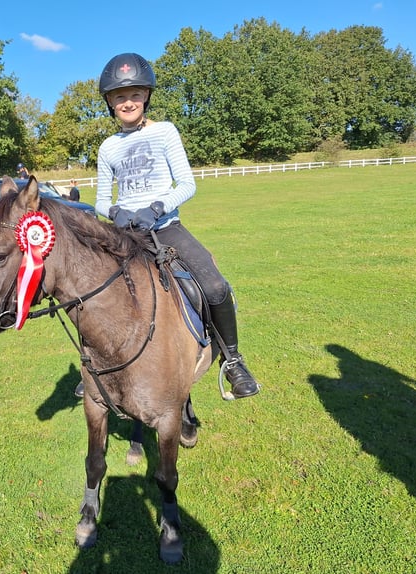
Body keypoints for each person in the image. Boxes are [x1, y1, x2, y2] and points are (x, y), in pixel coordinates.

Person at [92, 52, 260, 400]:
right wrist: (115, 212)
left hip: (165, 227)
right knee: (91, 292)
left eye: (135, 94)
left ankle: (232, 360)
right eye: (120, 96)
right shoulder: (107, 147)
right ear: (109, 102)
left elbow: (187, 183)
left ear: (147, 96)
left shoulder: (166, 132)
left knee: (214, 287)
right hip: (125, 233)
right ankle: (96, 366)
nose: (128, 102)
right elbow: (100, 199)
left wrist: (158, 207)